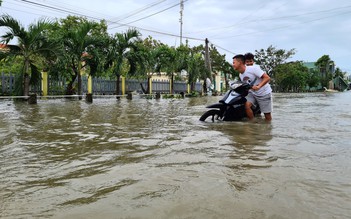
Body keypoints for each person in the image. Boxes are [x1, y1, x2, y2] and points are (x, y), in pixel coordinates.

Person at [232, 54, 272, 121]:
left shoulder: (253, 69)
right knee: (246, 106)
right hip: (252, 93)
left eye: (234, 62)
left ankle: (268, 128)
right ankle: (253, 123)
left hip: (263, 93)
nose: (232, 64)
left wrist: (259, 86)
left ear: (240, 63)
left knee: (267, 115)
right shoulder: (240, 74)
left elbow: (267, 78)